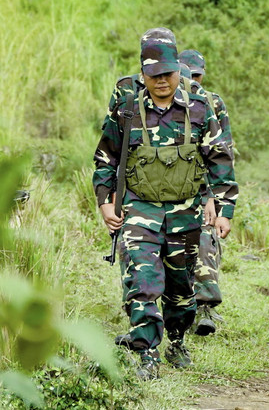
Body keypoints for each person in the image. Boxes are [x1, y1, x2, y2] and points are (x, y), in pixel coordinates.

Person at [93, 28, 237, 380]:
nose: (161, 81)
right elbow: (106, 156)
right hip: (140, 209)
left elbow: (220, 159)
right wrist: (105, 203)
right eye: (153, 75)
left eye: (168, 74)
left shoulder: (201, 108)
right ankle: (147, 353)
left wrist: (223, 209)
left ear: (178, 70)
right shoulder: (126, 109)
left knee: (180, 288)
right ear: (142, 75)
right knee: (142, 280)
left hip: (184, 212)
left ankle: (176, 339)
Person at [178, 49, 234, 336]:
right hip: (171, 188)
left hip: (203, 190)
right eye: (189, 75)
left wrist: (214, 197)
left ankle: (204, 307)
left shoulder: (212, 103)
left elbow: (220, 153)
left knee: (203, 242)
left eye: (197, 76)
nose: (193, 81)